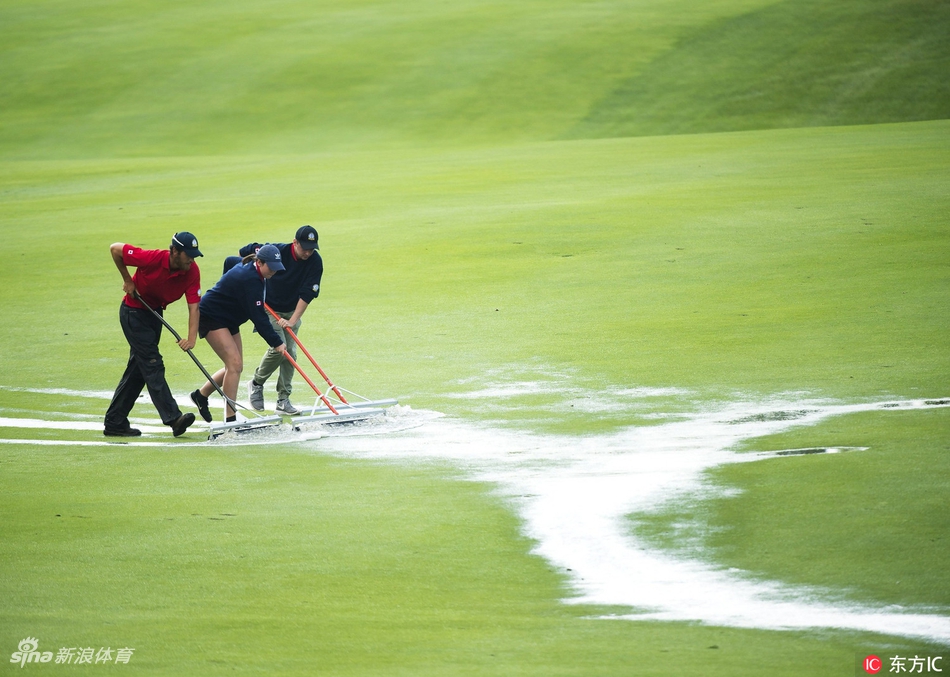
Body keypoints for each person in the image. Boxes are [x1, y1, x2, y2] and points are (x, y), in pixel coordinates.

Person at [104, 233, 202, 437]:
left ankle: (115, 421)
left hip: (154, 314)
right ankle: (174, 418)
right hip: (133, 313)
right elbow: (115, 248)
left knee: (138, 370)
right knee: (152, 363)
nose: (192, 260)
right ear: (175, 251)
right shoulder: (152, 258)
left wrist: (191, 339)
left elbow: (194, 307)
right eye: (188, 255)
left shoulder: (192, 271)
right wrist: (127, 280)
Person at [222, 225, 323, 415]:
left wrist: (292, 320)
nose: (308, 253)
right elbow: (244, 252)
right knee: (279, 349)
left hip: (291, 310)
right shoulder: (276, 252)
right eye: (304, 248)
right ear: (295, 242)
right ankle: (256, 383)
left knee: (290, 354)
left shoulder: (315, 261)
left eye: (311, 249)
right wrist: (252, 279)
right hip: (268, 308)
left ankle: (283, 400)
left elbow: (308, 293)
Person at [190, 244, 288, 423]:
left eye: (276, 267)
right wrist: (277, 342)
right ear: (259, 262)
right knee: (234, 365)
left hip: (229, 318)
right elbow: (259, 318)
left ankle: (200, 396)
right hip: (211, 316)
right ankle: (230, 418)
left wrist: (229, 289)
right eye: (271, 267)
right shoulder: (250, 279)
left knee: (236, 366)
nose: (274, 271)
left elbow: (230, 261)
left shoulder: (252, 267)